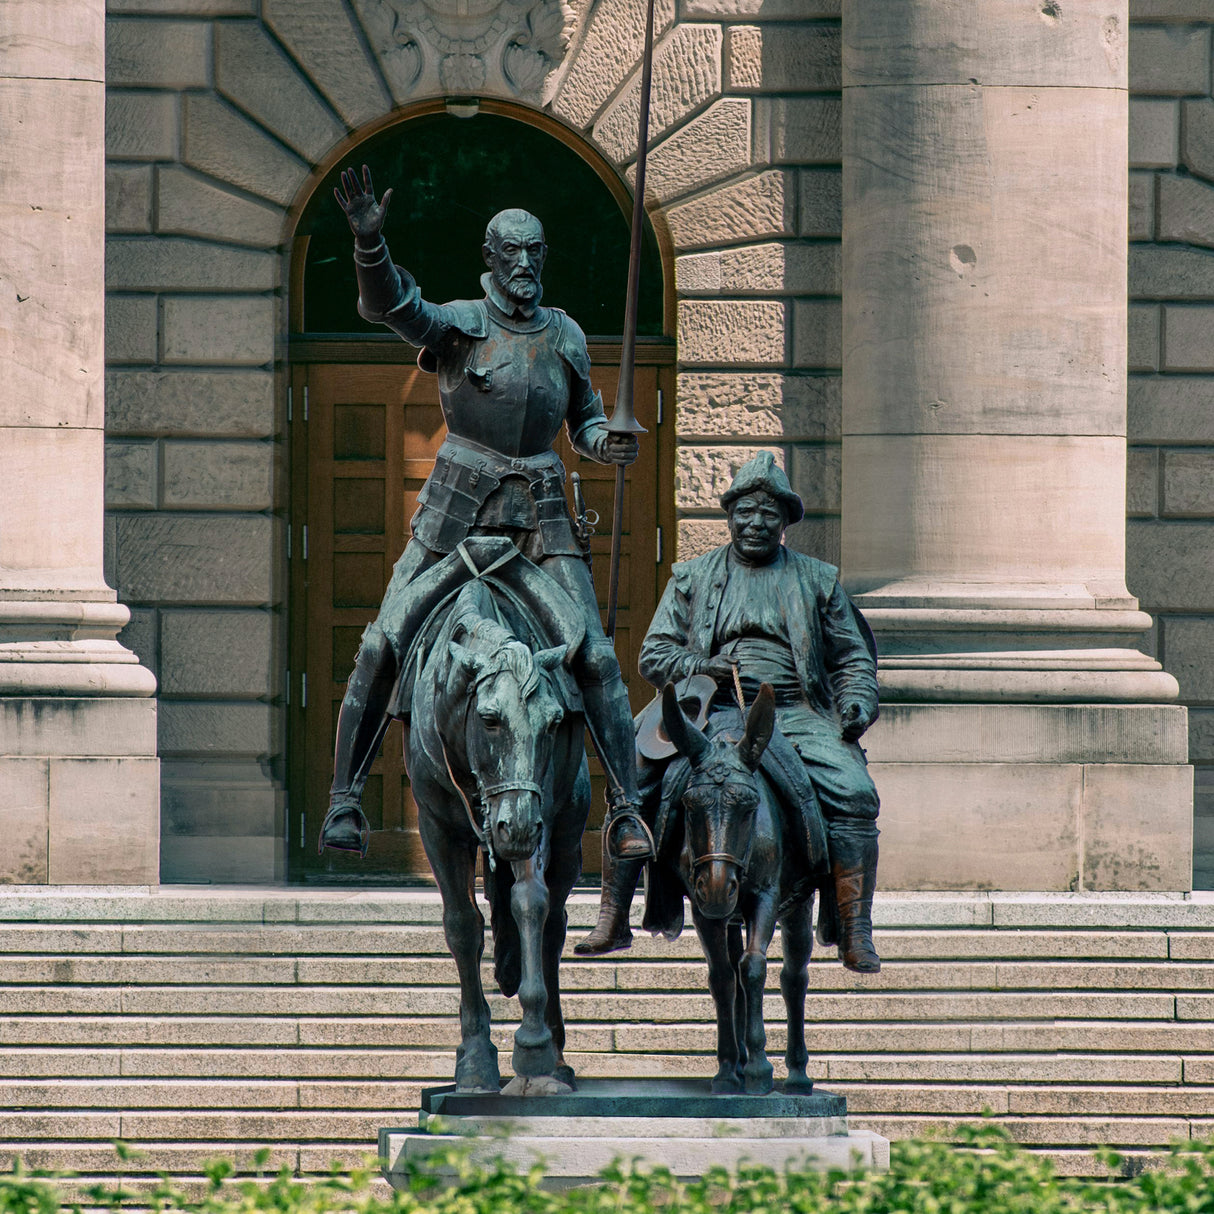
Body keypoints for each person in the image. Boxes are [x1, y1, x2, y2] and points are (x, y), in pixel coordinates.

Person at [321, 165, 651, 862]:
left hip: (545, 522)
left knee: (593, 654)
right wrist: (370, 247)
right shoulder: (461, 325)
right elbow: (395, 308)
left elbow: (583, 420)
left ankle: (625, 808)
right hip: (454, 519)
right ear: (490, 259)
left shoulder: (564, 334)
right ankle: (345, 798)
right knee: (382, 641)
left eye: (536, 253)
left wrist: (604, 443)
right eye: (513, 253)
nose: (526, 264)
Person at [576, 452, 883, 972]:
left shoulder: (818, 580)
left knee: (854, 792)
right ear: (730, 516)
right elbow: (653, 653)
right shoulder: (692, 577)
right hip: (707, 709)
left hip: (795, 711)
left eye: (768, 513)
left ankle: (854, 927)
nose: (756, 522)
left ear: (785, 522)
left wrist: (856, 701)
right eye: (746, 512)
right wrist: (703, 665)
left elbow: (853, 657)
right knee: (635, 776)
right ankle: (613, 915)